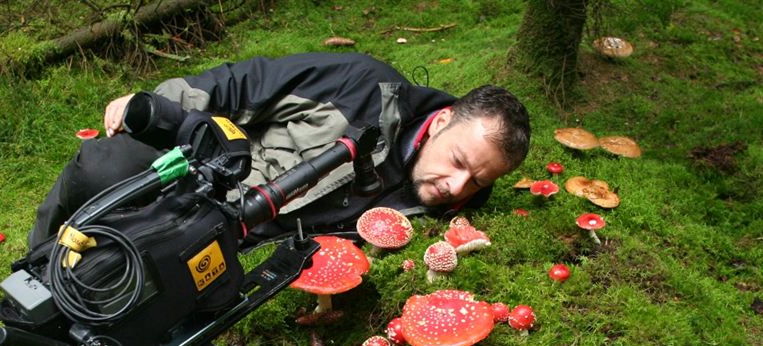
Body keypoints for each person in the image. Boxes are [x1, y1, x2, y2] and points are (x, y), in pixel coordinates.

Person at [28, 52, 530, 251]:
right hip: (223, 180)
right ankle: (39, 259)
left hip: (255, 247)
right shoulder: (361, 85)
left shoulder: (460, 202)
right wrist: (158, 106)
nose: (458, 187)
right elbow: (247, 83)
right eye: (461, 163)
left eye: (481, 181)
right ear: (442, 121)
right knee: (103, 167)